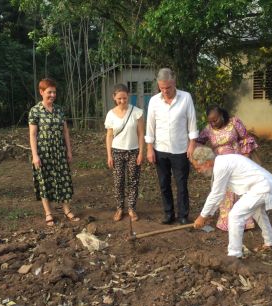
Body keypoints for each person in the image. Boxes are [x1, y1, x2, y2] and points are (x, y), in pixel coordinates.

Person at [192, 146, 272, 258]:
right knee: (258, 212)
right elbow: (217, 194)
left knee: (235, 215)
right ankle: (271, 243)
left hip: (262, 187)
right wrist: (207, 215)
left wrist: (202, 216)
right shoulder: (222, 162)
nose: (198, 171)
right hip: (263, 185)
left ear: (207, 163)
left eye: (198, 168)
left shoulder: (221, 166)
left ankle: (234, 255)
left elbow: (216, 194)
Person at [146, 68, 198, 225]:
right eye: (161, 88)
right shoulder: (154, 101)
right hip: (160, 150)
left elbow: (192, 123)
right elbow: (150, 126)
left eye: (168, 87)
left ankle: (183, 215)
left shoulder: (186, 98)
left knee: (181, 184)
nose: (165, 91)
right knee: (164, 184)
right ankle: (169, 214)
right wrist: (149, 148)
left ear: (174, 83)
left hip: (181, 149)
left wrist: (192, 145)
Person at [197, 105, 259, 231]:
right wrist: (204, 156)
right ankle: (227, 222)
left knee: (240, 191)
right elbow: (199, 141)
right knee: (223, 193)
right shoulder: (208, 129)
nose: (213, 123)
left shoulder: (234, 122)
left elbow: (246, 138)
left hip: (238, 163)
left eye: (216, 120)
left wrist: (245, 157)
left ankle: (244, 222)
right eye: (210, 121)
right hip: (220, 166)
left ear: (222, 115)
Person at [28, 78, 80, 226]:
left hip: (59, 151)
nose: (52, 95)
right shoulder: (35, 111)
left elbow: (65, 132)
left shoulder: (59, 110)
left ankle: (67, 209)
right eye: (49, 92)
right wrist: (35, 155)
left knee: (63, 180)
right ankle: (48, 213)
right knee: (45, 181)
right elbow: (32, 134)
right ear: (41, 92)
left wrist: (69, 150)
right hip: (43, 152)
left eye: (54, 92)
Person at [105, 83, 144, 222]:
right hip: (117, 152)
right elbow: (109, 135)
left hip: (133, 151)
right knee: (118, 182)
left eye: (125, 98)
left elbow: (140, 134)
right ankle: (120, 208)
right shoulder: (110, 114)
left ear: (129, 97)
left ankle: (132, 208)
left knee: (133, 181)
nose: (122, 101)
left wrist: (140, 153)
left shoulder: (136, 112)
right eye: (119, 98)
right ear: (114, 97)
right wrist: (109, 155)